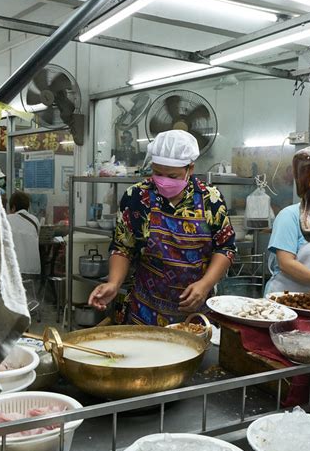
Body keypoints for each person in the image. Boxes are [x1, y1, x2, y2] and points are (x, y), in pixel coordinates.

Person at [88, 129, 236, 325]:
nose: (164, 181)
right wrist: (114, 283)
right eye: (158, 173)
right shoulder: (136, 197)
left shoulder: (211, 199)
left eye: (173, 176)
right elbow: (122, 246)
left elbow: (225, 247)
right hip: (144, 309)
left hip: (194, 313)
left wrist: (206, 284)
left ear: (190, 169)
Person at [7, 190, 41, 275]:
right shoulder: (35, 220)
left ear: (13, 207)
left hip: (14, 270)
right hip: (34, 271)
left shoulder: (7, 220)